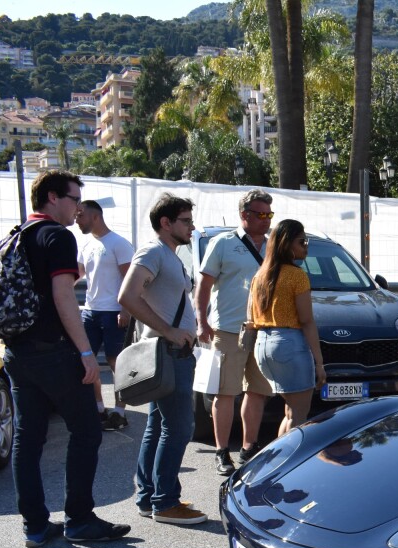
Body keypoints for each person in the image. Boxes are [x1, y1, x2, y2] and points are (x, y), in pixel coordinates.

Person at [3, 169, 129, 547]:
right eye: (74, 199)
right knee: (88, 430)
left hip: (17, 350)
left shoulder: (19, 234)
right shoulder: (57, 236)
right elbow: (63, 298)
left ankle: (36, 527)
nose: (78, 209)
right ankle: (79, 520)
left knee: (28, 438)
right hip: (52, 352)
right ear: (53, 197)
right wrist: (86, 352)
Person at [118, 193, 206, 526]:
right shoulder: (153, 251)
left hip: (171, 354)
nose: (191, 226)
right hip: (167, 353)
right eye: (185, 221)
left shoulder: (169, 255)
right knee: (180, 428)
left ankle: (149, 497)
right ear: (165, 223)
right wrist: (169, 331)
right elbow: (127, 296)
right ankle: (165, 502)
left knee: (158, 427)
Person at [195, 190, 274, 476]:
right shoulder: (222, 243)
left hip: (263, 328)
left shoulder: (273, 246)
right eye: (261, 214)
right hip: (228, 329)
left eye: (269, 215)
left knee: (257, 391)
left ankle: (248, 447)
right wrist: (201, 322)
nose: (266, 220)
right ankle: (221, 451)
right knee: (225, 392)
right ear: (245, 215)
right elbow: (203, 286)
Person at [248, 219, 326, 436]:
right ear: (286, 243)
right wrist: (319, 363)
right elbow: (307, 321)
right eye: (302, 241)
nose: (306, 246)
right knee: (298, 415)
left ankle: (279, 461)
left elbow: (251, 315)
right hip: (289, 345)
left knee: (291, 413)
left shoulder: (260, 275)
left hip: (263, 346)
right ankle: (288, 466)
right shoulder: (296, 276)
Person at [75, 199, 133, 431]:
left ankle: (119, 412)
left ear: (95, 216)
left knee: (115, 362)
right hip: (90, 311)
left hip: (113, 313)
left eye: (81, 215)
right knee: (87, 361)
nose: (77, 219)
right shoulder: (86, 244)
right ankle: (99, 409)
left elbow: (130, 280)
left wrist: (126, 309)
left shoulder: (119, 244)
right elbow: (76, 274)